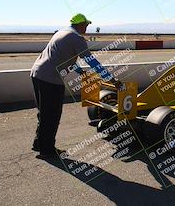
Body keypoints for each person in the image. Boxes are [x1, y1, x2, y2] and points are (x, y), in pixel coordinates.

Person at [30, 13, 122, 158]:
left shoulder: (62, 32)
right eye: (86, 25)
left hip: (37, 73)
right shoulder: (77, 38)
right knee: (52, 114)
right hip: (51, 79)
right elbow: (92, 61)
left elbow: (65, 56)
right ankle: (47, 150)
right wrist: (112, 80)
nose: (86, 27)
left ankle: (39, 144)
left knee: (44, 112)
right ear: (79, 24)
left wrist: (79, 71)